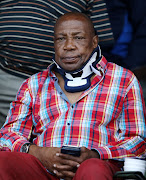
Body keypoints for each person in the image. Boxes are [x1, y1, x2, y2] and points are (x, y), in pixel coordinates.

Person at [0, 12, 146, 180]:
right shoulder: (34, 84)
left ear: (94, 42)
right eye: (61, 39)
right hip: (44, 169)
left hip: (97, 168)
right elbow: (7, 136)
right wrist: (38, 152)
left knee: (92, 169)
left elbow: (137, 142)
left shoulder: (123, 80)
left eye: (78, 38)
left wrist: (95, 154)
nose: (68, 46)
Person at [0, 0, 113, 127]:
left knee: (59, 137)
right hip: (7, 75)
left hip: (64, 82)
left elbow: (102, 40)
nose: (69, 45)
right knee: (9, 138)